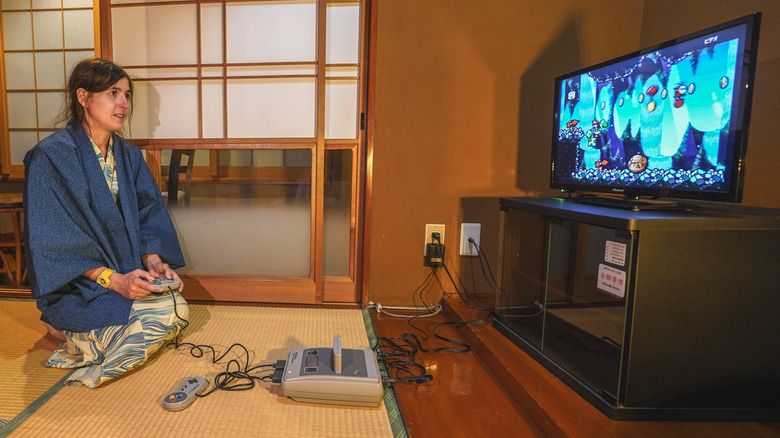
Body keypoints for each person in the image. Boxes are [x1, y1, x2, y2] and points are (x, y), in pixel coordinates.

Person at [23, 58, 188, 387]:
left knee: (177, 306)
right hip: (80, 285)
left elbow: (148, 215)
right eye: (113, 93)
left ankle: (83, 340)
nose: (123, 104)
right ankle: (68, 331)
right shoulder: (50, 157)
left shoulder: (128, 155)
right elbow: (52, 240)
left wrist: (154, 263)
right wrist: (114, 281)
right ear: (83, 97)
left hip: (125, 273)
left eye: (127, 95)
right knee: (154, 320)